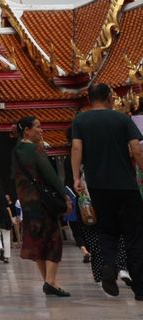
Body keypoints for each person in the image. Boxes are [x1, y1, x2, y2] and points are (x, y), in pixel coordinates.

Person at [71, 82, 143, 299]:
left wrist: (76, 178)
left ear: (89, 99)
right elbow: (136, 150)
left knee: (106, 232)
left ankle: (108, 266)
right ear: (109, 97)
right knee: (135, 236)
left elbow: (76, 148)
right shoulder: (122, 119)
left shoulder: (80, 120)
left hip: (98, 187)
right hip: (126, 186)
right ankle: (140, 289)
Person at [12, 115, 72, 297]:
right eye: (37, 127)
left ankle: (48, 281)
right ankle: (51, 281)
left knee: (37, 241)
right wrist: (65, 195)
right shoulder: (35, 149)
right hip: (42, 202)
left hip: (27, 202)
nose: (41, 129)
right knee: (53, 239)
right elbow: (50, 175)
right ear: (27, 131)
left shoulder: (16, 150)